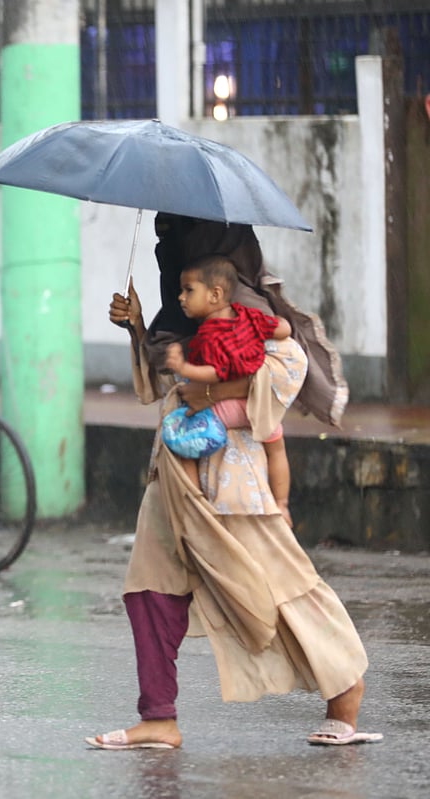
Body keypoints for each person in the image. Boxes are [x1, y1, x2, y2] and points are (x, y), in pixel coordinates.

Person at [87, 215, 380, 750]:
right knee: (150, 591)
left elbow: (282, 375)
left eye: (178, 234)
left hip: (236, 479)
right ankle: (159, 717)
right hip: (175, 470)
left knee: (286, 589)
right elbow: (164, 380)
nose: (169, 248)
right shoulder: (187, 305)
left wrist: (208, 393)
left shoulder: (250, 311)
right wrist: (138, 326)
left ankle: (345, 691)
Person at [161, 254, 294, 524]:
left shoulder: (208, 335)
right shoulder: (248, 316)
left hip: (229, 409)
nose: (180, 298)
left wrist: (184, 369)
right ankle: (282, 503)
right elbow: (283, 329)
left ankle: (195, 499)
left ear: (215, 294)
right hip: (260, 405)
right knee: (277, 449)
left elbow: (215, 373)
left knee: (177, 438)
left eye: (188, 290)